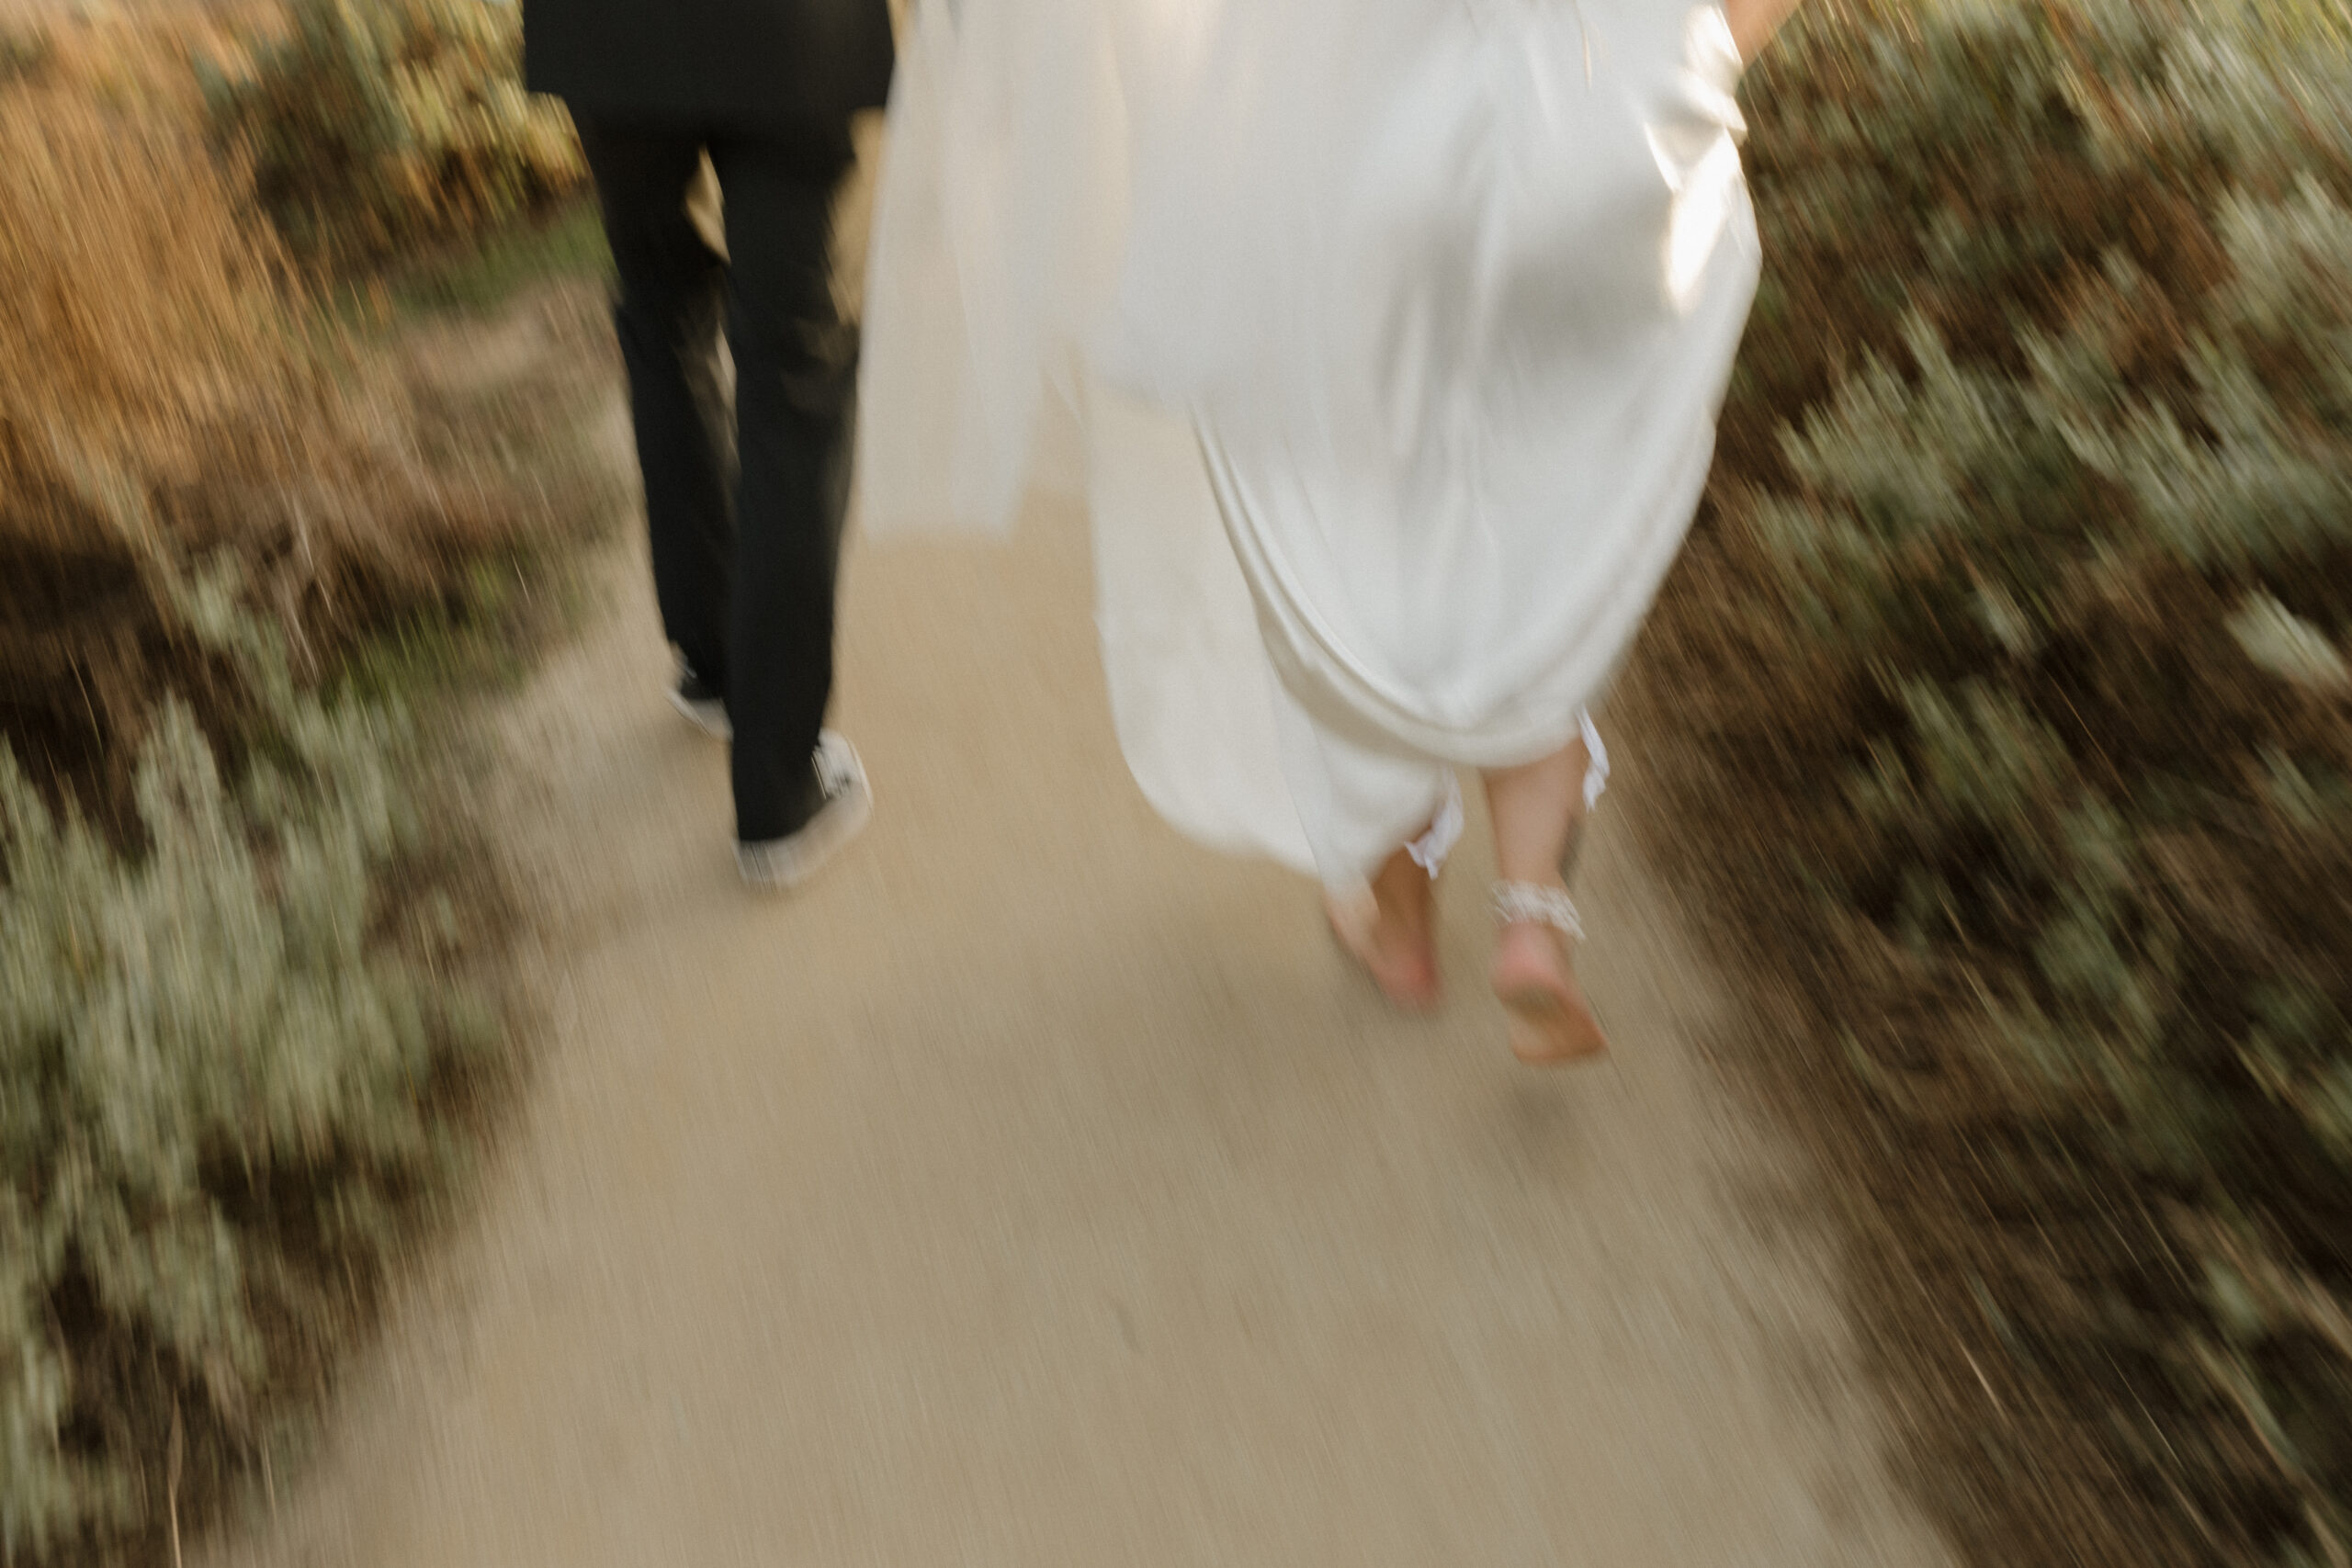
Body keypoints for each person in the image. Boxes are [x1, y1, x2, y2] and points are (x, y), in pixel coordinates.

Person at [858, 0, 1804, 1062]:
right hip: (1605, 166)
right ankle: (1533, 914)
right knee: (1538, 541)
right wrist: (1698, 55)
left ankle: (1401, 934)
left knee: (1365, 541)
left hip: (1380, 176)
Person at [523, 0, 892, 888]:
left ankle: (714, 663)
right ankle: (775, 787)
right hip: (797, 34)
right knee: (796, 370)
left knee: (661, 311)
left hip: (611, 32)